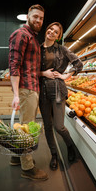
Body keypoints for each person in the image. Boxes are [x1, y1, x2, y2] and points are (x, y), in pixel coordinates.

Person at [8, 4, 48, 181]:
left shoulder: (33, 38)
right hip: (26, 89)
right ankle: (27, 167)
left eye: (41, 18)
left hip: (32, 87)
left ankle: (16, 156)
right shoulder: (21, 35)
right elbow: (14, 66)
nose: (38, 20)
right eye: (35, 17)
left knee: (24, 124)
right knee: (27, 128)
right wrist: (16, 94)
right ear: (28, 17)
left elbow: (31, 67)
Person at [39, 22, 83, 170]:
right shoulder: (37, 49)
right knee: (48, 126)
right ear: (47, 30)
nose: (52, 32)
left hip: (58, 91)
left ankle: (70, 146)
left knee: (59, 126)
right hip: (42, 93)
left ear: (58, 37)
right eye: (50, 29)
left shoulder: (62, 49)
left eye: (56, 32)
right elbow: (31, 70)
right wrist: (42, 73)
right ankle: (54, 155)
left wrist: (65, 76)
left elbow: (78, 64)